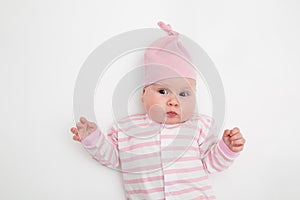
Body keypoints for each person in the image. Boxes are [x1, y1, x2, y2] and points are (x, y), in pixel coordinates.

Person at [70, 21, 245, 200]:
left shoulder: (199, 126)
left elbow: (210, 164)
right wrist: (93, 138)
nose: (173, 102)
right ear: (144, 94)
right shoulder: (126, 129)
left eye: (184, 94)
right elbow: (114, 159)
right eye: (163, 91)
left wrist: (227, 148)